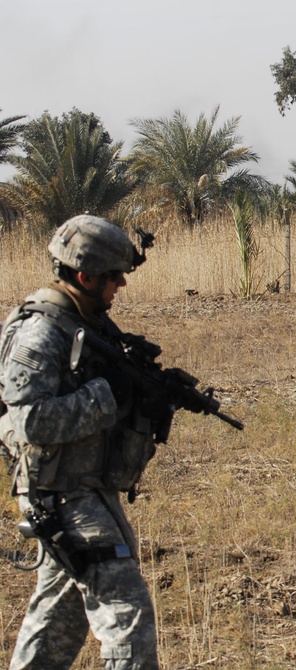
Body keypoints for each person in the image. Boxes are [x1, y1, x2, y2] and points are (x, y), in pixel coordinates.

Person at [0, 215, 159, 669]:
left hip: (84, 488)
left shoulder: (83, 321)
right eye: (113, 276)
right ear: (85, 276)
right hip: (62, 495)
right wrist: (109, 394)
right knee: (127, 613)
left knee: (58, 619)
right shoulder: (42, 332)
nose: (122, 284)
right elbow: (28, 421)